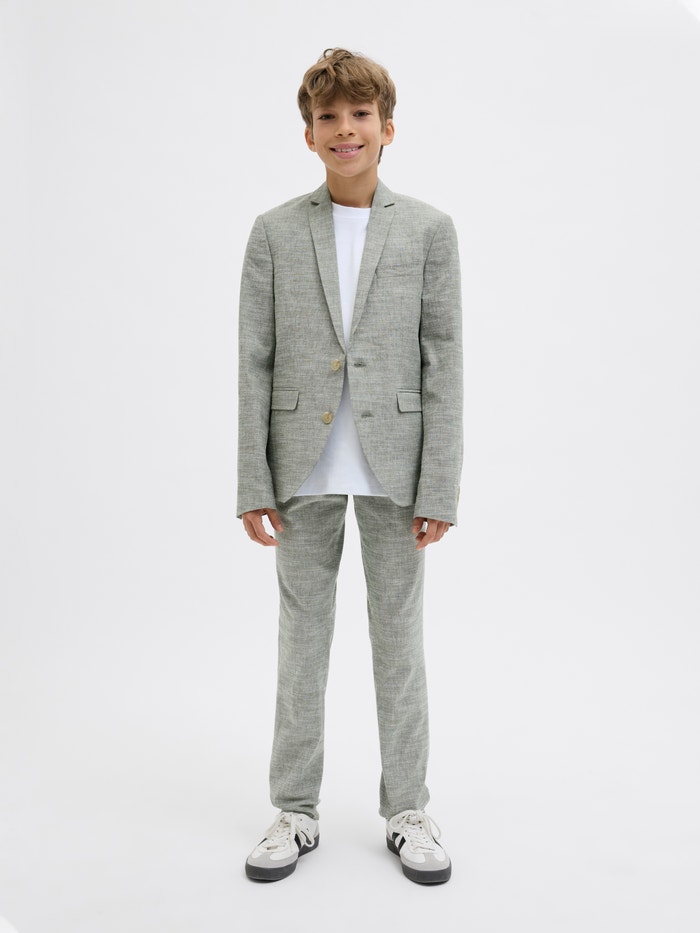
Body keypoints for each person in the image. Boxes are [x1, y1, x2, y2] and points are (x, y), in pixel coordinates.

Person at [237, 47, 463, 885]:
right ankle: (294, 808)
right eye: (327, 118)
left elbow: (444, 360)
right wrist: (251, 481)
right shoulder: (273, 231)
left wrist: (439, 483)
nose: (344, 129)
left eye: (359, 115)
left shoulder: (429, 230)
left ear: (387, 128)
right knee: (302, 639)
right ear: (309, 135)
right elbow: (253, 361)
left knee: (398, 641)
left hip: (397, 470)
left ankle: (407, 807)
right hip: (299, 467)